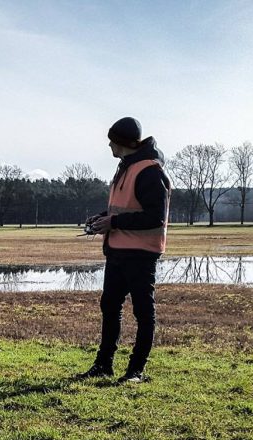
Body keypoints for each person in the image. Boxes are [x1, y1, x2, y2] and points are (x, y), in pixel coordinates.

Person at [80, 116, 171, 383]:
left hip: (141, 253)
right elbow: (122, 207)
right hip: (118, 250)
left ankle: (136, 371)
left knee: (143, 312)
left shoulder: (150, 171)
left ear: (123, 142)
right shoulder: (125, 166)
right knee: (109, 306)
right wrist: (102, 219)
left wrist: (115, 222)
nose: (109, 145)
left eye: (112, 140)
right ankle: (103, 365)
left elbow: (156, 217)